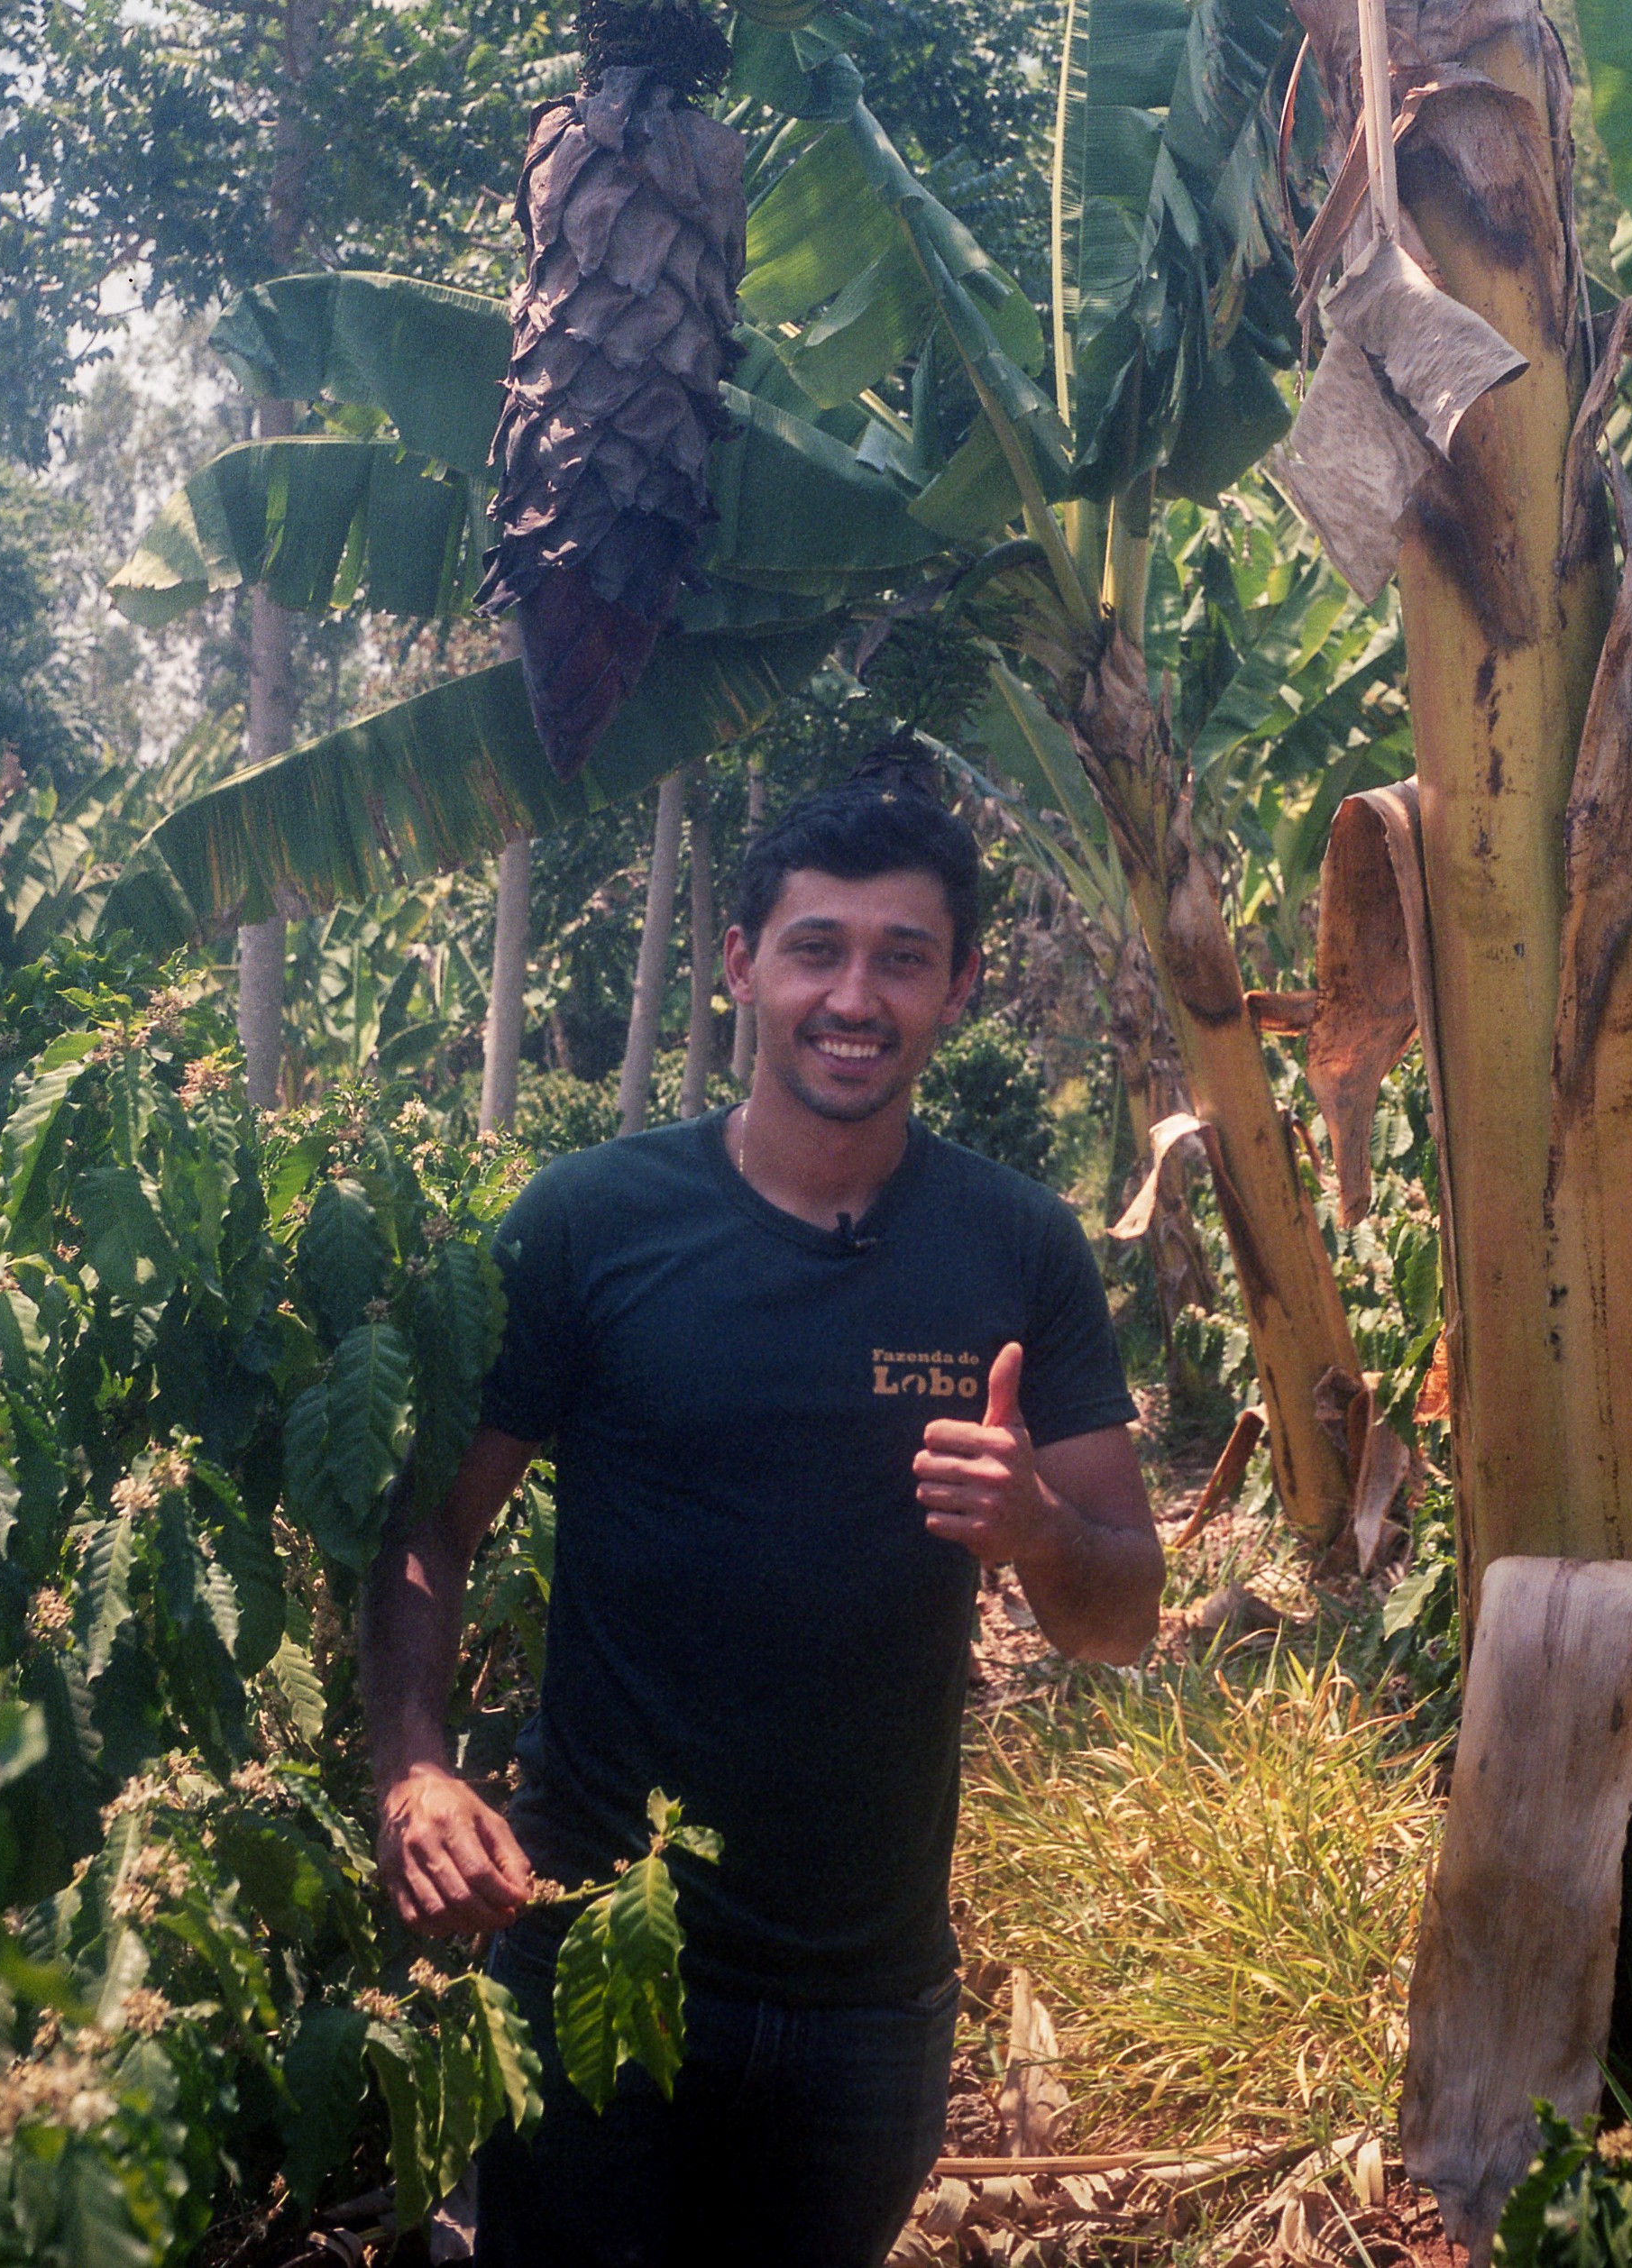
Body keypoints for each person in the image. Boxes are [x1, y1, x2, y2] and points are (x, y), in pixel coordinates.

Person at [359, 749, 1163, 2268]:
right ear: (741, 966)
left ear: (959, 986)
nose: (853, 995)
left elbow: (1123, 1619)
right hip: (598, 1948)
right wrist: (413, 1772)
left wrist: (1039, 1536)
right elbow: (429, 1527)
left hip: (869, 1999)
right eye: (816, 949)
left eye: (901, 959)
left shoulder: (1016, 1248)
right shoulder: (592, 1225)